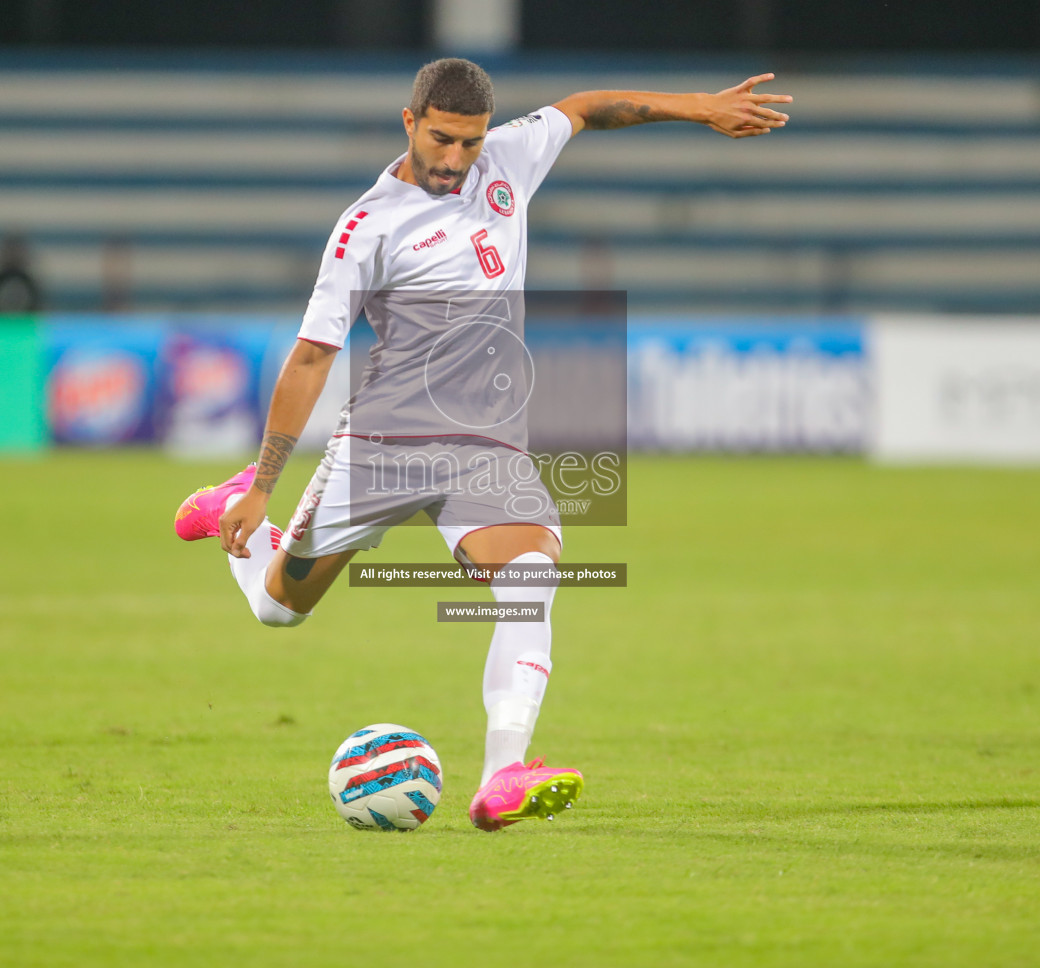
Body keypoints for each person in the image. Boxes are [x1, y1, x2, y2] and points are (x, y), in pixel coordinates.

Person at [174, 58, 791, 831]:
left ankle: (502, 776)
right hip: (384, 443)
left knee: (533, 575)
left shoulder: (508, 157)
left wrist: (698, 107)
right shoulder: (366, 227)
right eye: (440, 140)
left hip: (486, 445)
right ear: (409, 122)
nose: (454, 161)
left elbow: (588, 107)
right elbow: (309, 358)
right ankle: (235, 513)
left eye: (467, 143)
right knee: (280, 610)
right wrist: (264, 482)